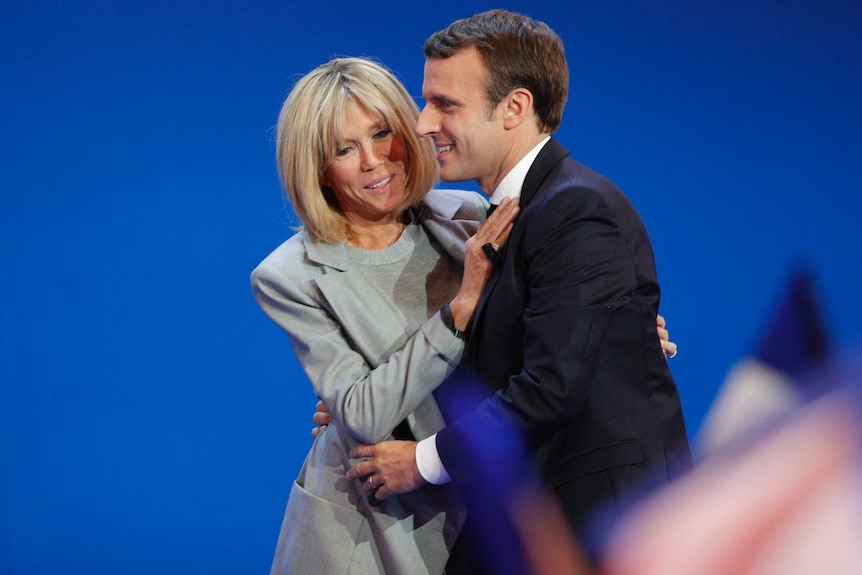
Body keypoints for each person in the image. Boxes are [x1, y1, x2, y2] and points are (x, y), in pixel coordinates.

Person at [344, 9, 692, 573]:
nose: (423, 122)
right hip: (537, 512)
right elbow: (510, 359)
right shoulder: (517, 215)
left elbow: (551, 385)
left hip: (600, 521)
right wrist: (374, 399)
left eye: (446, 104)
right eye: (426, 100)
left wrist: (421, 460)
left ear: (515, 107)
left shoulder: (576, 210)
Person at [251, 56, 520, 574]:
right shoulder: (289, 276)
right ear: (319, 170)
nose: (374, 161)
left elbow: (539, 323)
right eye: (344, 149)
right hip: (374, 528)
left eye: (382, 134)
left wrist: (608, 329)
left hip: (484, 501)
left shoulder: (467, 217)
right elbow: (363, 414)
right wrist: (459, 308)